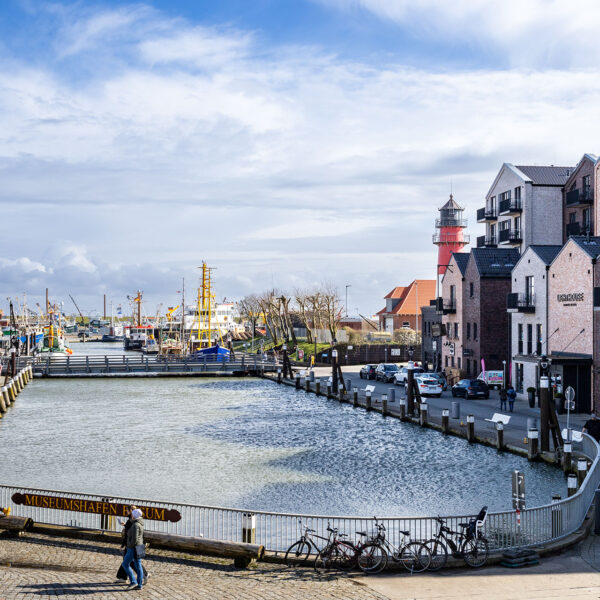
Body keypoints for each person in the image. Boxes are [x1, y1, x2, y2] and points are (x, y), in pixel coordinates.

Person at [117, 506, 148, 584]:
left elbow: (131, 536)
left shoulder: (134, 523)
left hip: (132, 546)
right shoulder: (134, 521)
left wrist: (127, 546)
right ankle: (124, 577)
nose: (126, 512)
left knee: (129, 563)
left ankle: (139, 578)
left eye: (127, 510)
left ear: (131, 512)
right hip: (135, 545)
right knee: (131, 562)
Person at [121, 507, 145, 590]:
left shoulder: (135, 525)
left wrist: (128, 546)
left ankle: (133, 582)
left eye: (133, 514)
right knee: (138, 566)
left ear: (134, 516)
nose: (131, 515)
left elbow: (134, 539)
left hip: (133, 547)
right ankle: (139, 585)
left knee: (125, 564)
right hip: (140, 546)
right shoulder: (140, 523)